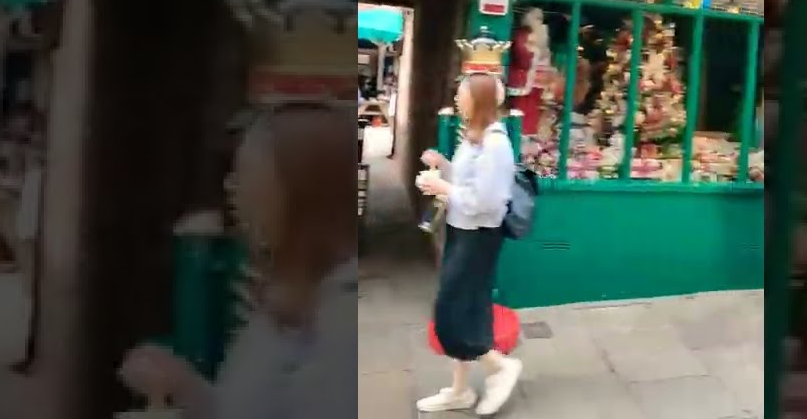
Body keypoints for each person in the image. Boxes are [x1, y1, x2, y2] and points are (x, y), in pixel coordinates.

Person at [118, 101, 357, 418]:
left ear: (296, 195)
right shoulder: (285, 304)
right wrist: (183, 385)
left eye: (246, 174)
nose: (231, 188)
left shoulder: (342, 328)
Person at [415, 72, 524, 415]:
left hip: (479, 237)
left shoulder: (495, 145)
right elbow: (466, 182)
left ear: (479, 100)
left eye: (463, 95)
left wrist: (441, 188)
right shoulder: (474, 138)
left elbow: (487, 202)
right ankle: (460, 391)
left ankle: (500, 367)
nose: (458, 100)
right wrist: (442, 166)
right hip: (462, 230)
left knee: (451, 310)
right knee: (468, 308)